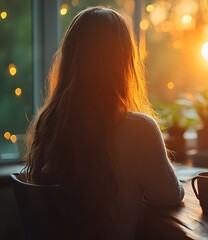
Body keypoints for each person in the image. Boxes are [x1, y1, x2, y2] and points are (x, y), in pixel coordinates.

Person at [22, 6, 184, 239]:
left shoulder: (48, 123)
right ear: (124, 63)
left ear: (70, 58)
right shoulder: (137, 128)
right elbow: (169, 195)